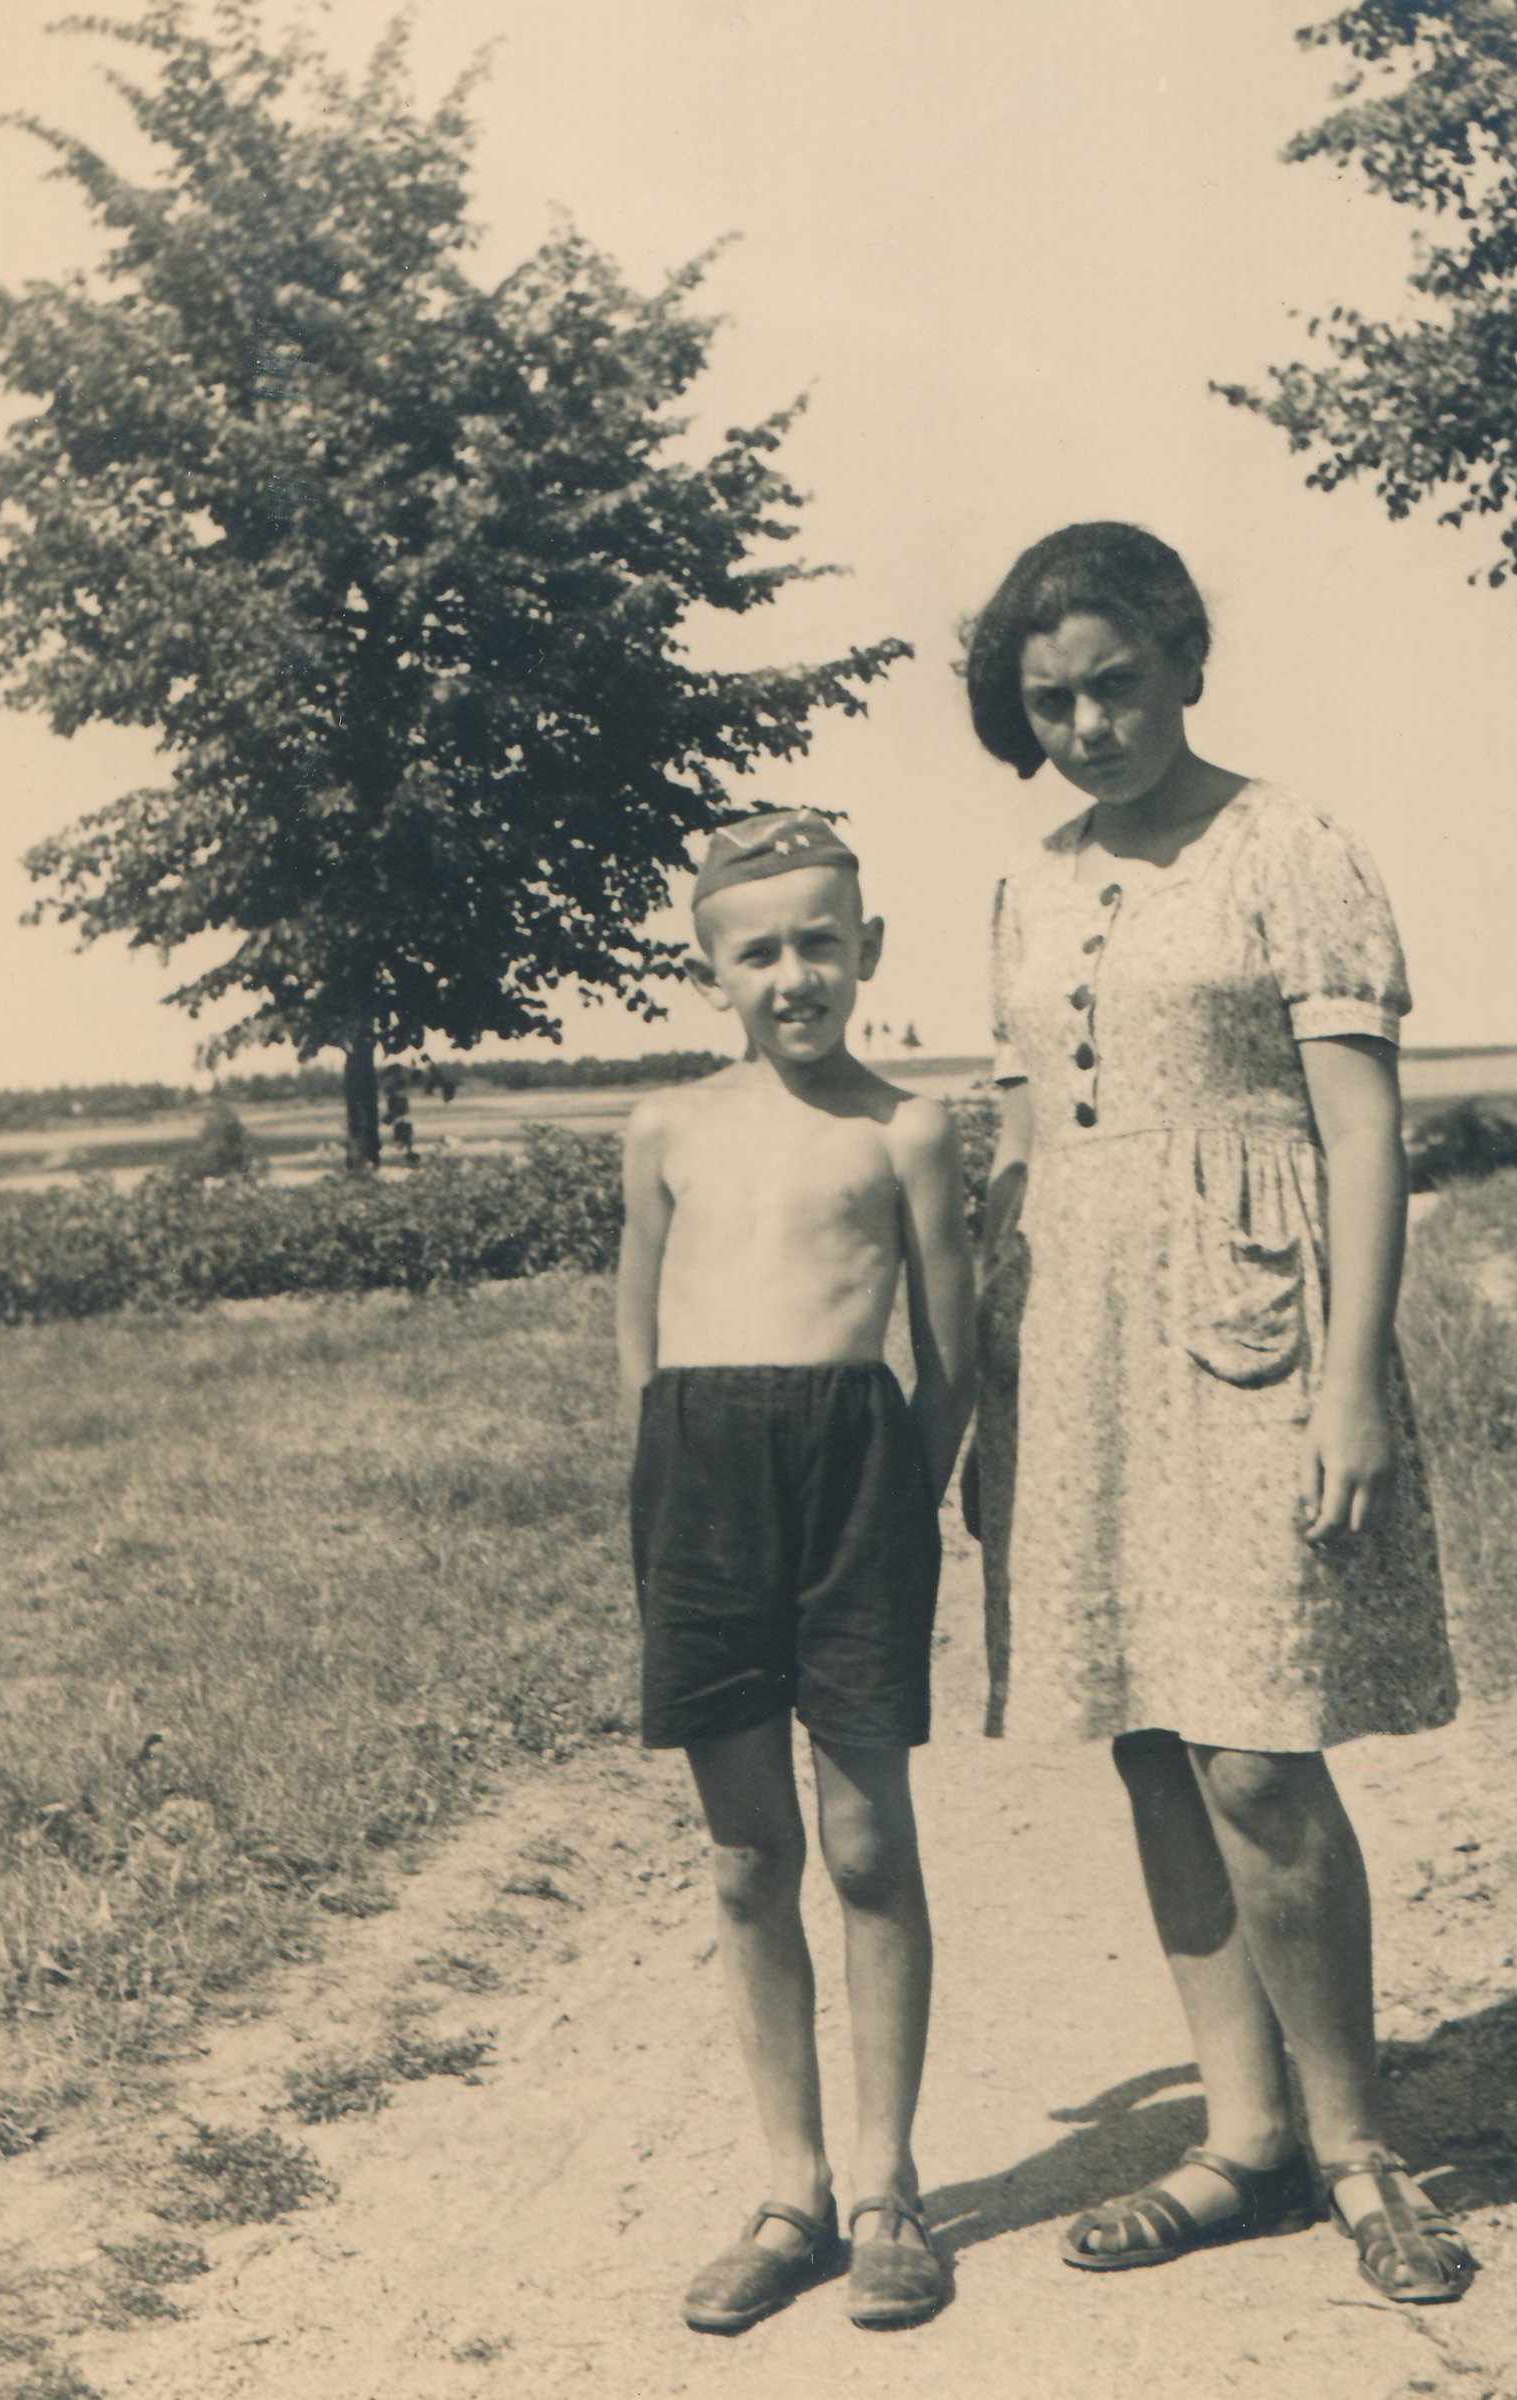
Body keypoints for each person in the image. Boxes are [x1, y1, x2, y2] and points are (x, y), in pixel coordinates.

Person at [964, 524, 1476, 2302]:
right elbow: (1019, 1147)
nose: (1088, 726)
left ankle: (1356, 2151)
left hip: (1253, 1330)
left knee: (1257, 1745)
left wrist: (1353, 1382)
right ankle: (1241, 2141)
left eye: (1115, 684)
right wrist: (988, 1391)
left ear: (1184, 659)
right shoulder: (1026, 884)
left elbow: (1361, 1131)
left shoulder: (1287, 846)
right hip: (1075, 1349)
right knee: (1146, 1730)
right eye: (1050, 703)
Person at [617, 808, 976, 2334]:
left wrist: (900, 1508)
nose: (793, 976)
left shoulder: (905, 1130)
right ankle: (790, 2192)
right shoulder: (666, 1128)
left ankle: (887, 2188)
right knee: (747, 1857)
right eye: (757, 951)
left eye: (820, 943)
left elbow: (949, 1362)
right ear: (712, 972)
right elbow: (639, 1343)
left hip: (854, 1484)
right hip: (701, 1485)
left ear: (866, 949)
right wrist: (670, 1494)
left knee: (868, 1846)